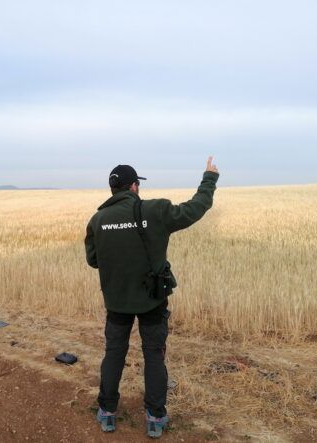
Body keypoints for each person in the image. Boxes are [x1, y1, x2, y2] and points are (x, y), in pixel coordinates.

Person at [84, 157, 219, 438]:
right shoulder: (155, 210)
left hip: (117, 302)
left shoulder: (97, 220)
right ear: (134, 186)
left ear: (113, 189)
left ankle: (107, 412)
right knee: (154, 356)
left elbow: (94, 260)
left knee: (114, 354)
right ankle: (155, 417)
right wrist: (209, 178)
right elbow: (195, 209)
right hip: (152, 301)